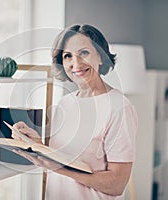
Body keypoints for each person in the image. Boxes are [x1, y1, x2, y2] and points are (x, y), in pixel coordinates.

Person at [12, 24, 138, 199]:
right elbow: (62, 157)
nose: (75, 63)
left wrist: (61, 170)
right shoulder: (65, 103)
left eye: (84, 53)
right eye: (67, 56)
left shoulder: (119, 108)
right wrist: (36, 143)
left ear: (101, 57)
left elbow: (117, 184)